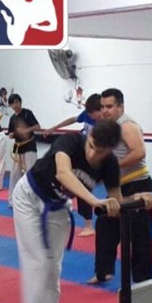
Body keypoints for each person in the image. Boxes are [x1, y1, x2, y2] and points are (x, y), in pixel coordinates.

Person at [11, 120, 152, 303]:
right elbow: (63, 173)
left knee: (52, 269)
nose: (93, 154)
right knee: (39, 264)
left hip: (57, 207)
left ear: (110, 151)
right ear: (89, 138)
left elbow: (116, 204)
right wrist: (94, 200)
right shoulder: (70, 142)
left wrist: (139, 199)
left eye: (100, 152)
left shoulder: (109, 164)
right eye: (92, 146)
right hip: (28, 197)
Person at [89, 88, 152, 284]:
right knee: (105, 225)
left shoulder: (126, 126)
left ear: (120, 107)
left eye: (109, 106)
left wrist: (113, 166)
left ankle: (143, 281)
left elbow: (139, 152)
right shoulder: (108, 127)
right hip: (118, 187)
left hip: (138, 185)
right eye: (102, 107)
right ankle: (103, 272)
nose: (105, 110)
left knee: (139, 236)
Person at [44, 93, 103, 235]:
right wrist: (54, 128)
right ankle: (59, 213)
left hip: (91, 158)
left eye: (92, 113)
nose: (90, 116)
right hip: (81, 153)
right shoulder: (88, 114)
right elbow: (73, 119)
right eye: (88, 113)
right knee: (66, 181)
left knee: (84, 188)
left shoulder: (105, 124)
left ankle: (89, 226)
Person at [6, 93, 41, 208]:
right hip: (18, 148)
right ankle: (12, 200)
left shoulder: (27, 113)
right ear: (10, 105)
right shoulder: (12, 118)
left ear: (20, 102)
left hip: (29, 147)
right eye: (12, 103)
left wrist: (26, 130)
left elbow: (37, 127)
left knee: (31, 174)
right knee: (14, 175)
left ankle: (34, 201)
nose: (15, 105)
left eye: (17, 102)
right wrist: (14, 134)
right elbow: (10, 134)